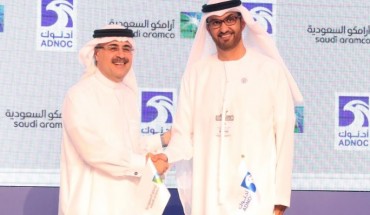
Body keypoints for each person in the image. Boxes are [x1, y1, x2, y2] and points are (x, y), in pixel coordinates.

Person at [155, 0, 303, 214]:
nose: (223, 28)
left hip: (254, 195)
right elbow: (182, 135)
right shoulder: (196, 74)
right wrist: (166, 158)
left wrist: (280, 197)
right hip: (207, 194)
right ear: (208, 28)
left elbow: (284, 139)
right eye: (215, 22)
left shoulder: (270, 71)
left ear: (242, 23)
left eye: (230, 20)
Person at [58, 25, 169, 215]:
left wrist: (162, 140)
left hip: (129, 204)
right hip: (91, 206)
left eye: (126, 48)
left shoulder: (128, 95)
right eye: (113, 48)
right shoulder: (79, 95)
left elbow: (127, 146)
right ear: (96, 53)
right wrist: (146, 164)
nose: (121, 55)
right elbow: (95, 152)